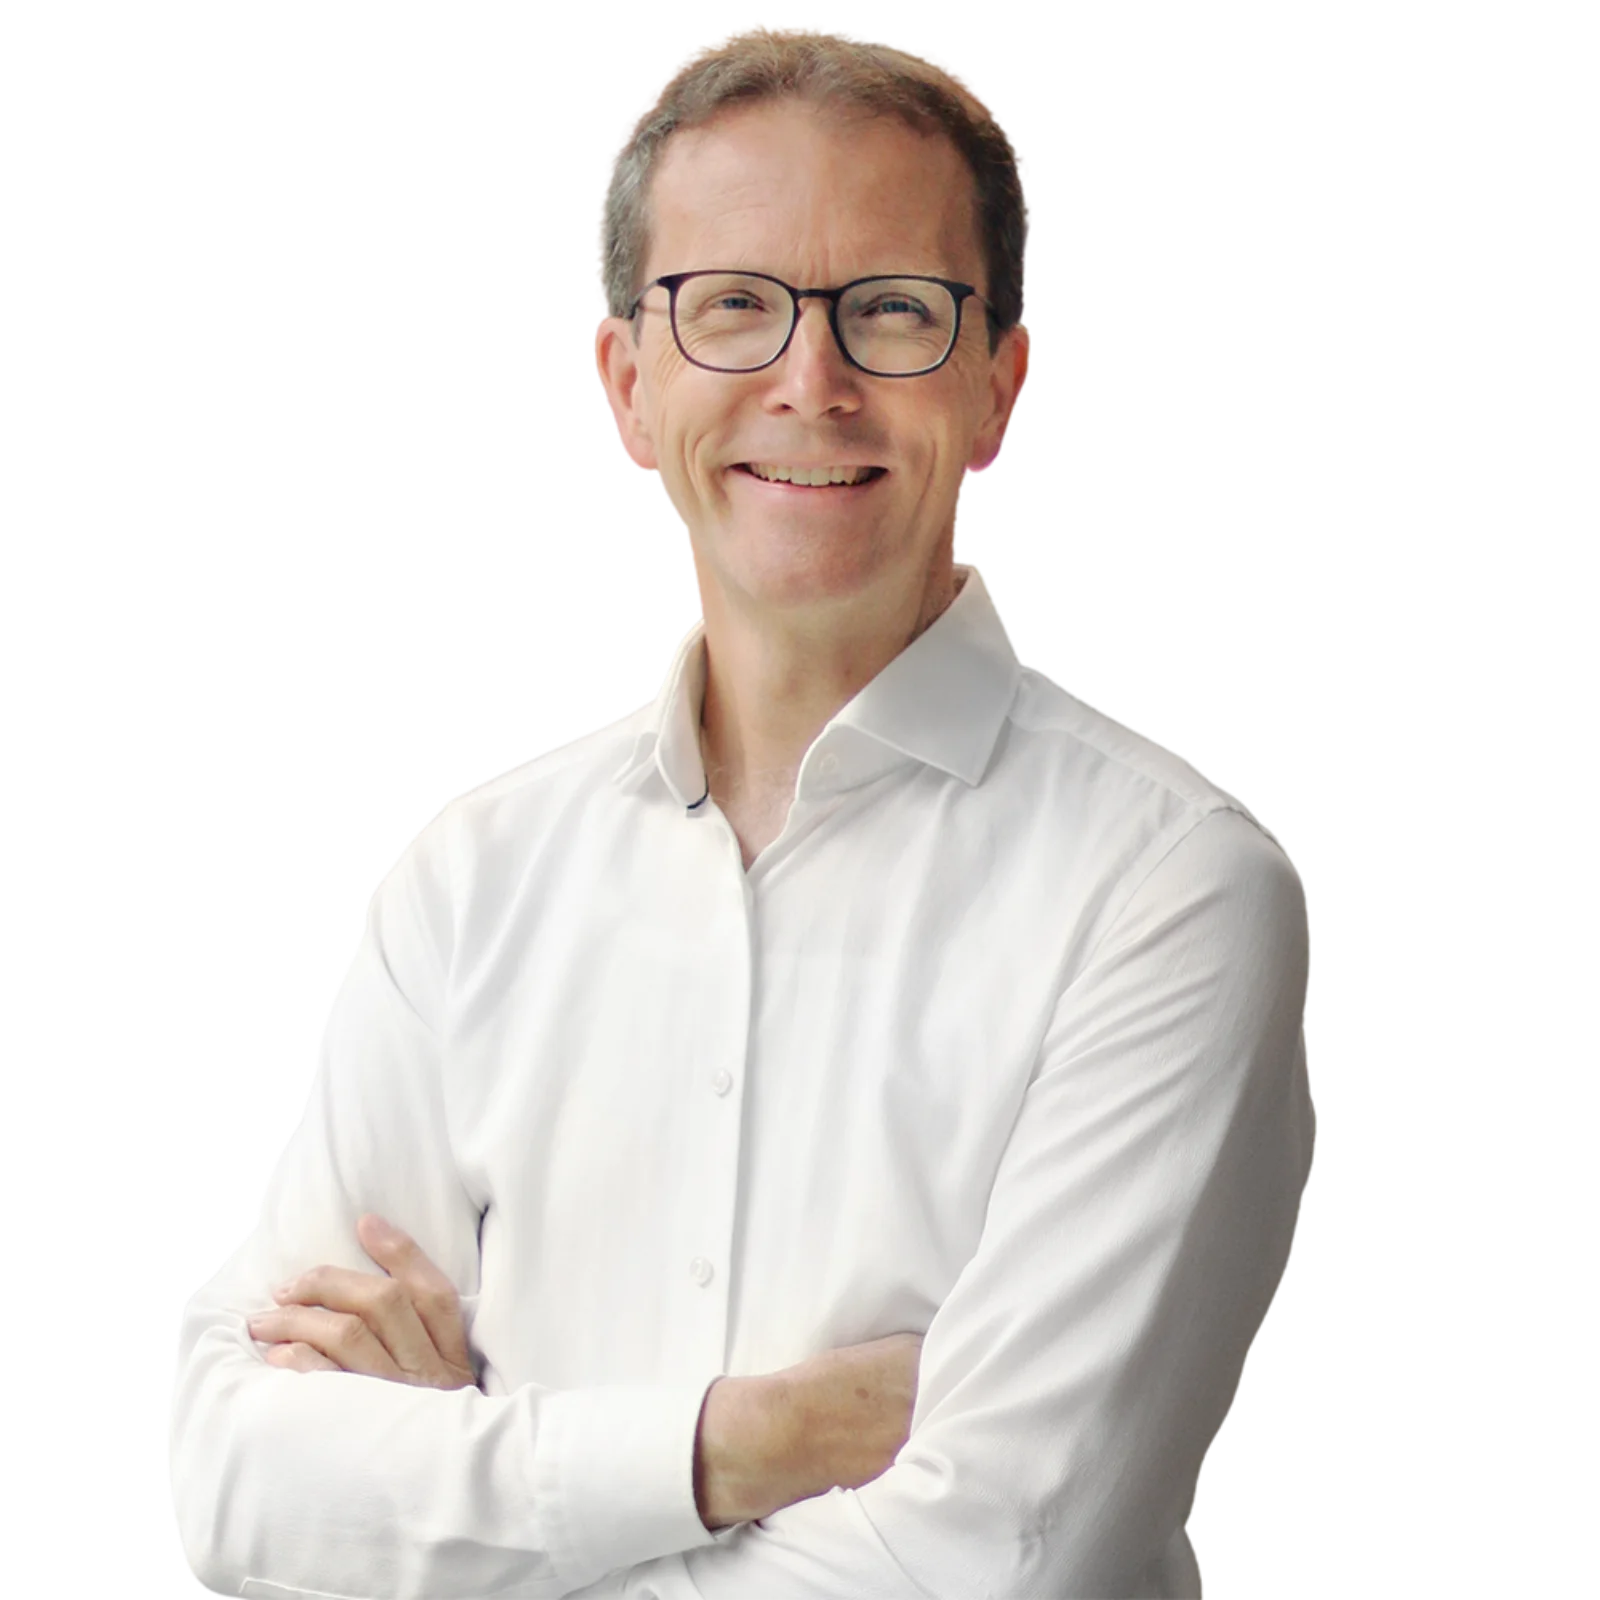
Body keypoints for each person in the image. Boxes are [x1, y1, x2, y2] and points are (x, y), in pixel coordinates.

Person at [166, 23, 1312, 1600]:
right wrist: (739, 1446)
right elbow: (237, 1488)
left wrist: (461, 1498)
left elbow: (999, 1565)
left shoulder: (1174, 891)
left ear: (1001, 388)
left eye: (894, 313)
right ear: (625, 384)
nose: (811, 381)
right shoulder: (469, 880)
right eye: (733, 309)